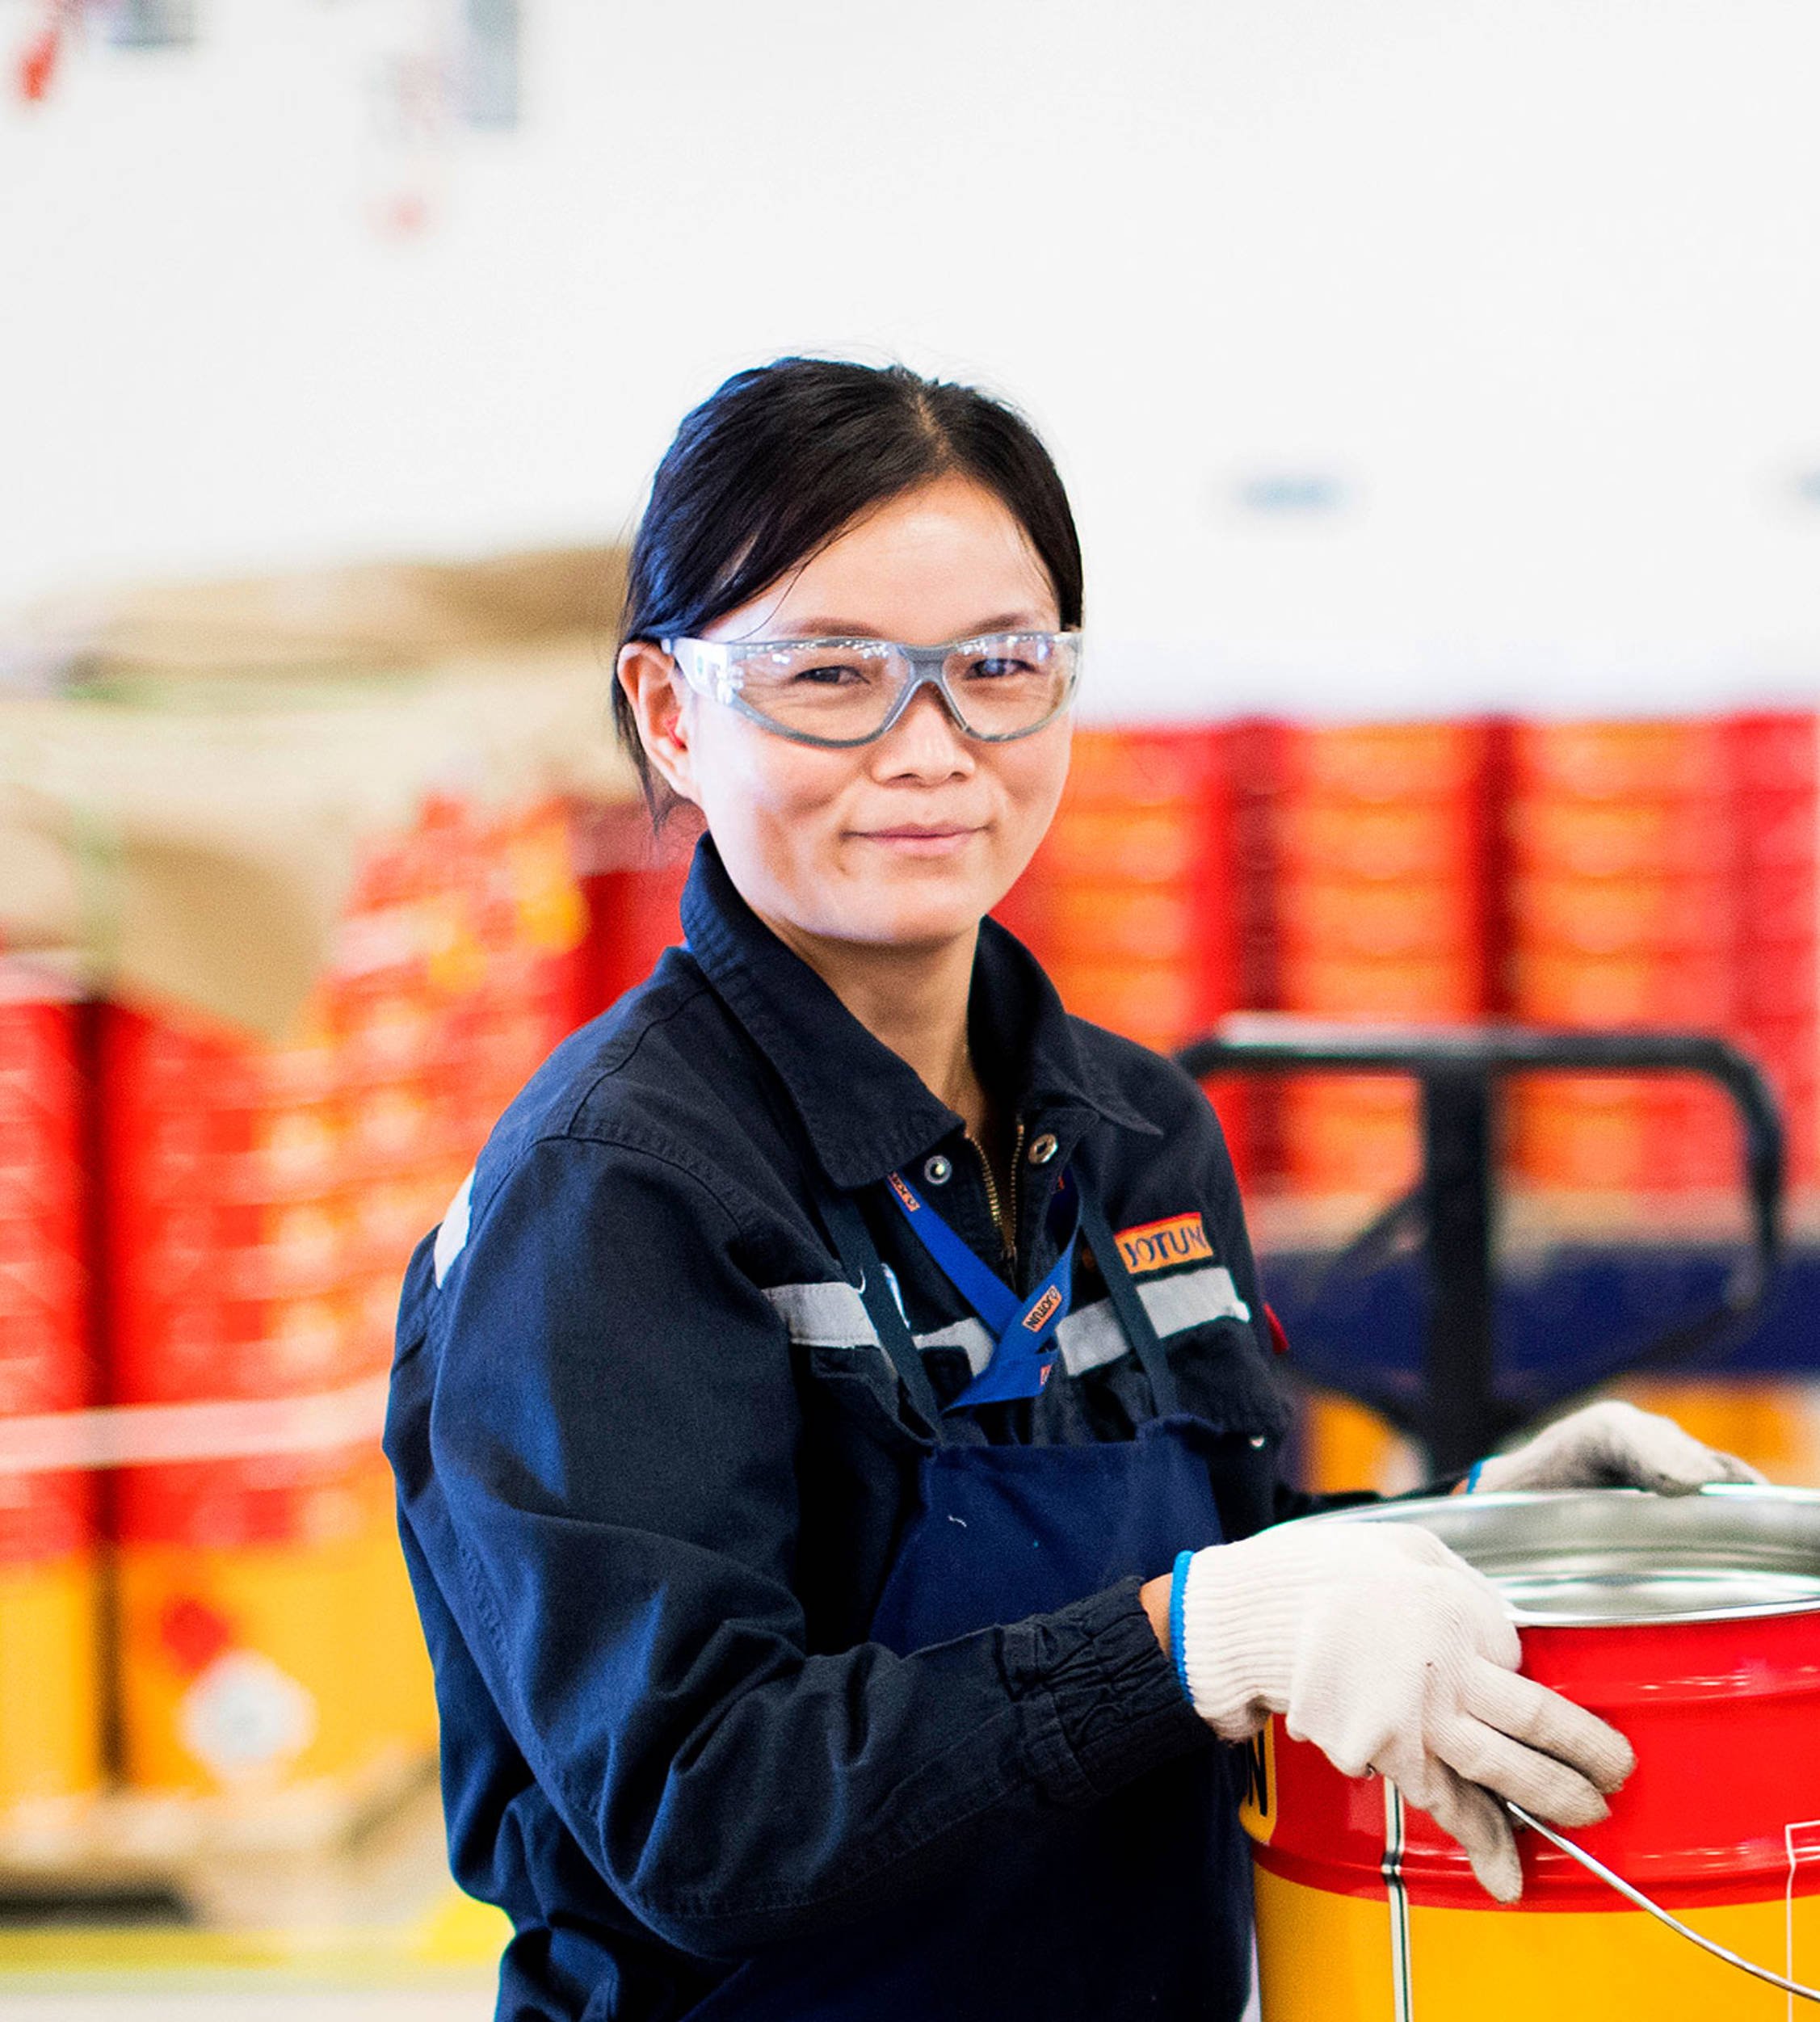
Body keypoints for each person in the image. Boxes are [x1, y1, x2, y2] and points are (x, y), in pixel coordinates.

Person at [385, 357, 1764, 2022]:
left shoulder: (1131, 1129)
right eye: (830, 675)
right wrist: (1196, 1635)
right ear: (672, 710)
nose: (930, 749)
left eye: (995, 668)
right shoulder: (610, 1196)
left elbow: (1210, 1583)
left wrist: (1469, 1532)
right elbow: (699, 1805)